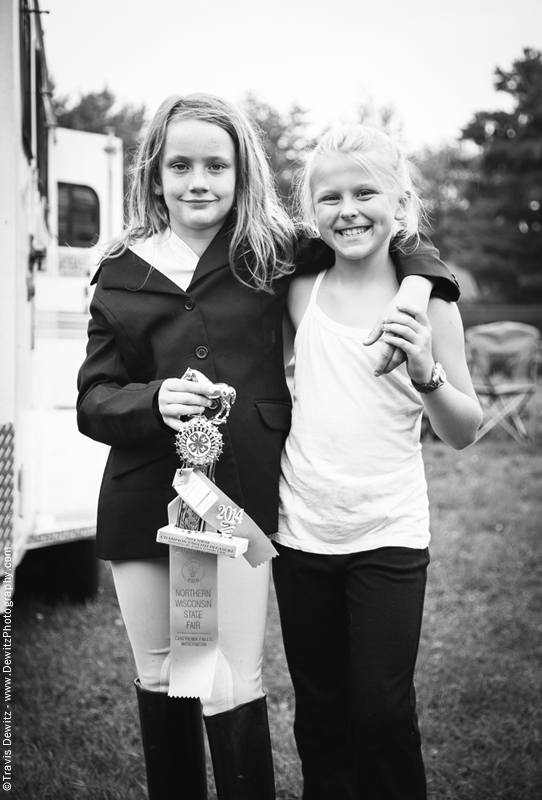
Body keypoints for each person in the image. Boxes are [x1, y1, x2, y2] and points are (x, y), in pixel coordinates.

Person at [76, 94, 460, 800]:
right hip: (142, 501)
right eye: (181, 165)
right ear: (153, 175)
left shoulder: (271, 251)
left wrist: (418, 286)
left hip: (242, 500)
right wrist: (150, 399)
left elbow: (381, 237)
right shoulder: (118, 270)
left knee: (230, 675)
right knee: (165, 674)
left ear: (240, 171)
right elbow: (93, 400)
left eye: (216, 165)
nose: (199, 180)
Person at [271, 125, 482, 800]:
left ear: (403, 203)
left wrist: (427, 374)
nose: (348, 209)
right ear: (313, 211)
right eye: (329, 196)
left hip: (388, 534)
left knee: (384, 713)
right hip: (302, 531)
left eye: (366, 192)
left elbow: (465, 429)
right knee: (323, 713)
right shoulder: (298, 289)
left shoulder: (432, 303)